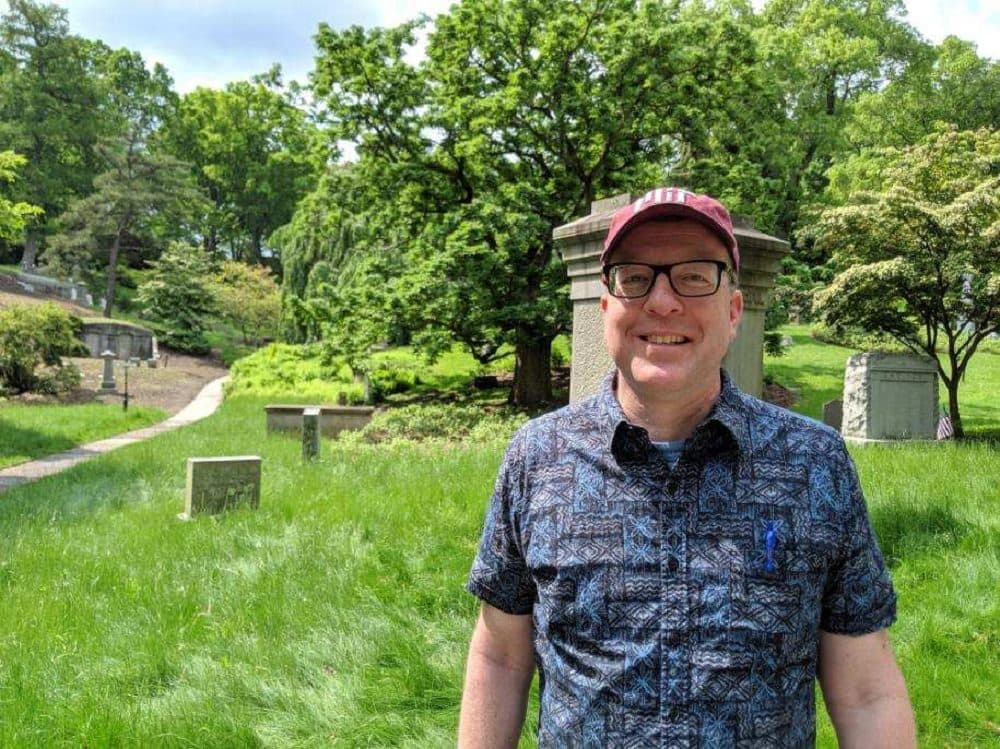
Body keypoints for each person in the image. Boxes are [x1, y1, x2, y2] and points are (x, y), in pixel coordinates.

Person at [457, 187, 915, 747]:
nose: (664, 302)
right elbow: (501, 657)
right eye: (635, 277)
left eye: (695, 276)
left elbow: (867, 687)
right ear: (608, 309)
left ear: (733, 311)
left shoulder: (814, 465)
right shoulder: (537, 458)